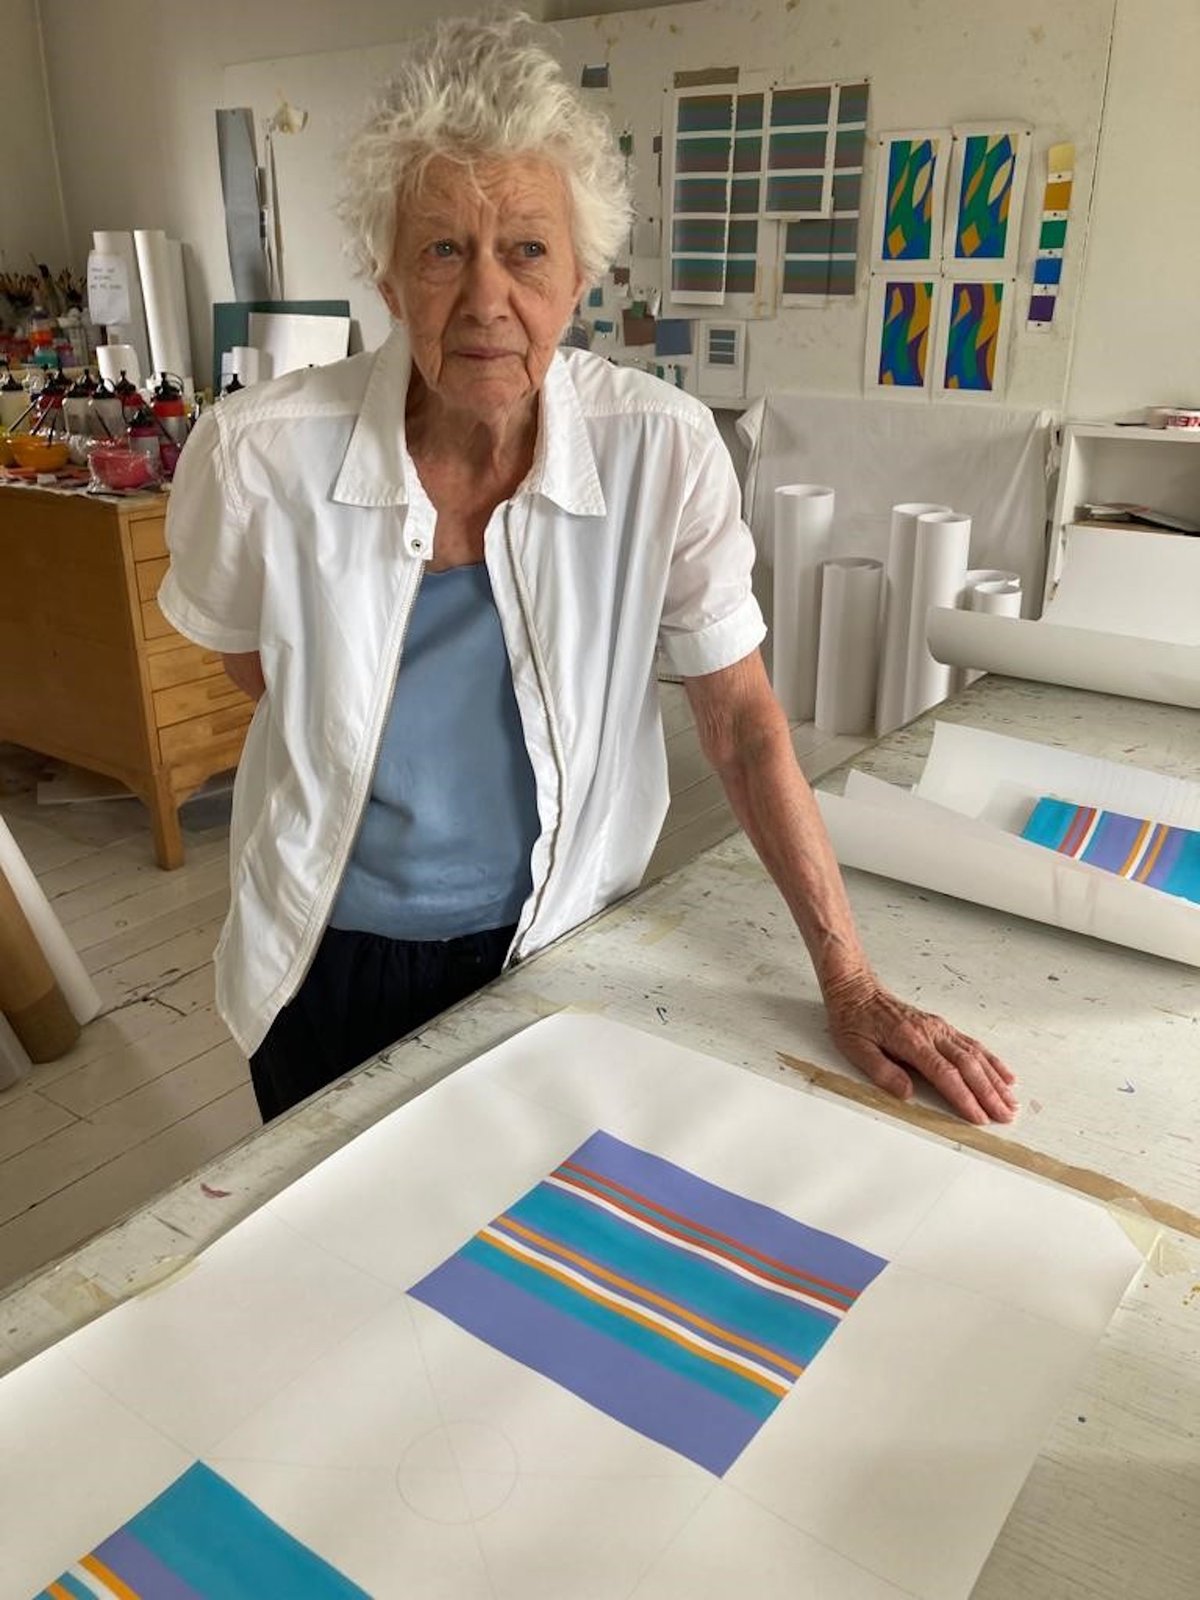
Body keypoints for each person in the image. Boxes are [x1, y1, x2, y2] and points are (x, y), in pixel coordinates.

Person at [160, 12, 1018, 1129]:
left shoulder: (661, 450)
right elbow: (252, 666)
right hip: (325, 961)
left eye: (525, 249)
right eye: (440, 249)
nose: (484, 299)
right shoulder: (256, 451)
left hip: (562, 949)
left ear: (579, 278)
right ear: (384, 275)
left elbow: (744, 723)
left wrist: (848, 978)